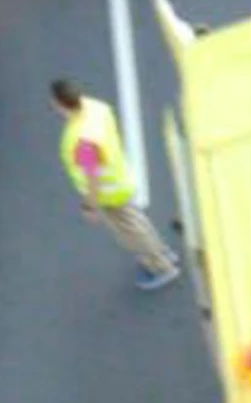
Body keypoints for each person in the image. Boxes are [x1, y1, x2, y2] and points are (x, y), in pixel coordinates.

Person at [51, 79, 179, 290]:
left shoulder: (82, 141)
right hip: (119, 179)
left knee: (130, 232)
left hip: (108, 194)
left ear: (59, 104)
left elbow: (91, 175)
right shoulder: (94, 108)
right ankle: (162, 252)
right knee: (137, 221)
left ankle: (160, 266)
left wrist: (89, 206)